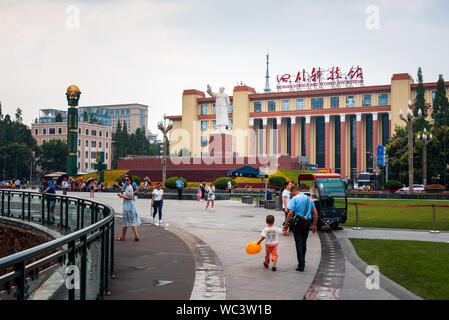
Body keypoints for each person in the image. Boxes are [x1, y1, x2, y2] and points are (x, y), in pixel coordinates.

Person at [283, 185, 318, 272]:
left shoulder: (294, 199)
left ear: (294, 191)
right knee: (304, 242)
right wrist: (314, 225)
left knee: (298, 242)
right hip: (307, 222)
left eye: (291, 193)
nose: (292, 195)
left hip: (298, 223)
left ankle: (301, 265)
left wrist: (286, 224)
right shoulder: (309, 199)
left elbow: (290, 213)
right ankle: (303, 260)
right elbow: (316, 213)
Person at [116, 176, 141, 241]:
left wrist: (122, 196)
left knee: (125, 221)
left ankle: (123, 236)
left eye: (127, 180)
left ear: (130, 181)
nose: (126, 181)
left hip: (128, 206)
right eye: (125, 180)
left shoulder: (130, 187)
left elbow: (130, 198)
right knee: (132, 221)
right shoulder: (127, 187)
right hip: (129, 206)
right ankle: (136, 235)